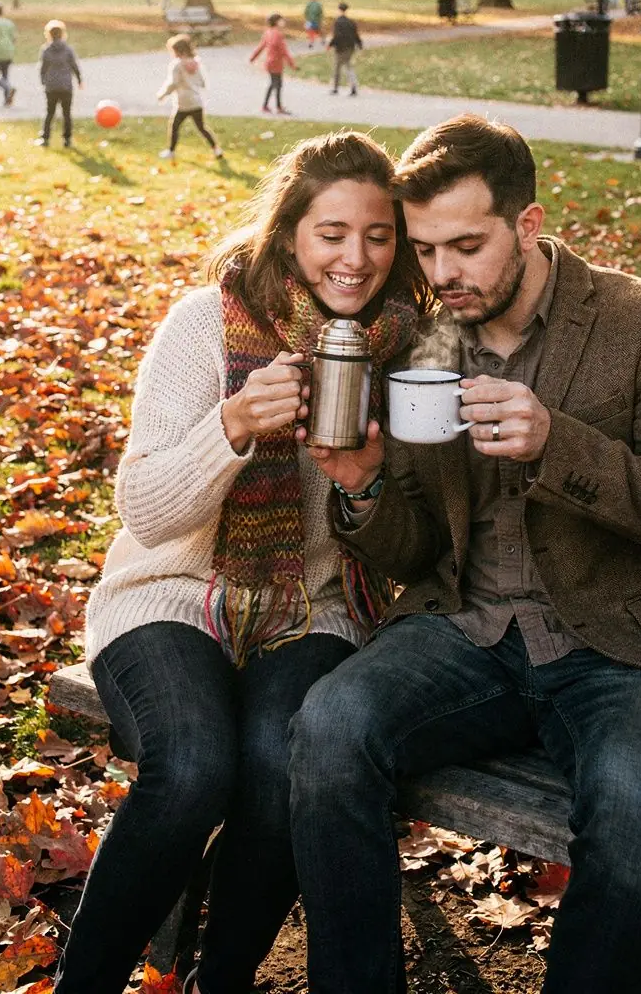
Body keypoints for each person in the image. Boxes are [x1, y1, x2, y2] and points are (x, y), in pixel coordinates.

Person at [289, 114, 641, 994]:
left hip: (625, 644)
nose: (441, 275)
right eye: (425, 250)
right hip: (466, 628)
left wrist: (558, 445)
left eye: (466, 246)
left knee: (635, 808)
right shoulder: (424, 343)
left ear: (528, 225)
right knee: (328, 727)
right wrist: (364, 485)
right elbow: (418, 549)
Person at [51, 130, 433, 994]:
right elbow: (146, 513)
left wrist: (364, 486)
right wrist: (228, 430)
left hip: (315, 607)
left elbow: (417, 545)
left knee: (279, 765)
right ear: (290, 233)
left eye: (378, 236)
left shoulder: (406, 353)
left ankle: (219, 980)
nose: (355, 258)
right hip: (170, 595)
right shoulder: (205, 325)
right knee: (191, 766)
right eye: (332, 232)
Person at [157, 34, 223, 161]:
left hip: (183, 103)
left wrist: (162, 94)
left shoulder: (177, 65)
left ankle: (171, 151)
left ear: (178, 51)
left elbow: (173, 83)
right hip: (196, 101)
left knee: (175, 126)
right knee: (202, 127)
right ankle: (216, 149)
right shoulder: (197, 63)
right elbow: (203, 82)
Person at [36, 20, 82, 148]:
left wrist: (43, 81)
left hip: (51, 86)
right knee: (67, 113)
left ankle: (45, 138)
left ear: (48, 34)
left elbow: (43, 69)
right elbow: (74, 66)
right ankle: (67, 139)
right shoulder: (68, 50)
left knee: (50, 112)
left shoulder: (46, 50)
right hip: (66, 86)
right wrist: (79, 79)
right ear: (62, 34)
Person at [249, 13, 296, 115]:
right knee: (277, 84)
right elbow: (284, 51)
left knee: (273, 84)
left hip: (269, 63)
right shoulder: (278, 34)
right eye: (281, 20)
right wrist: (292, 64)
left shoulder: (268, 32)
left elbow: (261, 47)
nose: (283, 22)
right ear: (276, 22)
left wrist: (252, 58)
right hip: (276, 63)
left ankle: (266, 106)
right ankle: (278, 107)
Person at [328, 1, 362, 96]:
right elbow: (356, 35)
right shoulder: (351, 22)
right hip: (350, 47)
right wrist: (359, 44)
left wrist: (331, 44)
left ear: (339, 10)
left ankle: (335, 88)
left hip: (340, 48)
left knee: (337, 67)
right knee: (348, 66)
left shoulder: (338, 22)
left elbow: (337, 35)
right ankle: (353, 86)